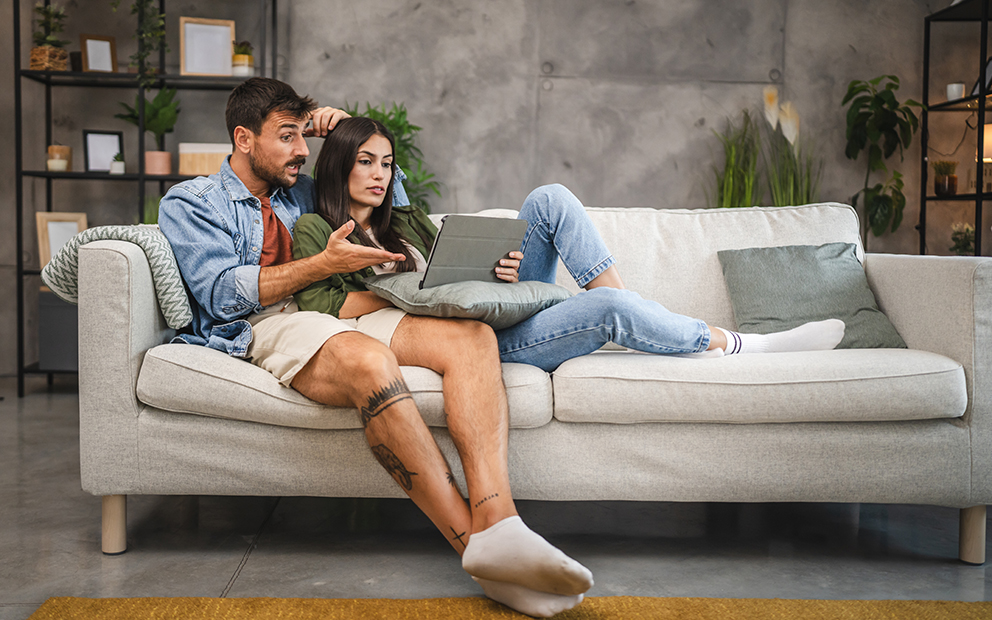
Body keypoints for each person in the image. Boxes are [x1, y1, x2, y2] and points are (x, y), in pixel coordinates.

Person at [158, 78, 591, 618]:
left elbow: (380, 185)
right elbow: (222, 296)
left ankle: (501, 522)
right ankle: (475, 550)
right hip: (264, 322)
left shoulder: (300, 187)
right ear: (244, 139)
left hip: (342, 301)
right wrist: (320, 266)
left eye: (303, 137)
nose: (300, 150)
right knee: (369, 361)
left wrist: (344, 130)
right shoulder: (192, 201)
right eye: (287, 136)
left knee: (472, 336)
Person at [293, 116, 846, 376]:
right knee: (608, 310)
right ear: (338, 165)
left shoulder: (406, 221)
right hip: (476, 339)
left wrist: (499, 272)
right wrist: (405, 289)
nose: (380, 175)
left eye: (387, 163)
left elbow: (460, 276)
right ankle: (741, 345)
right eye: (364, 161)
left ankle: (635, 316)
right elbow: (323, 305)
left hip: (494, 306)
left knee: (550, 197)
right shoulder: (317, 228)